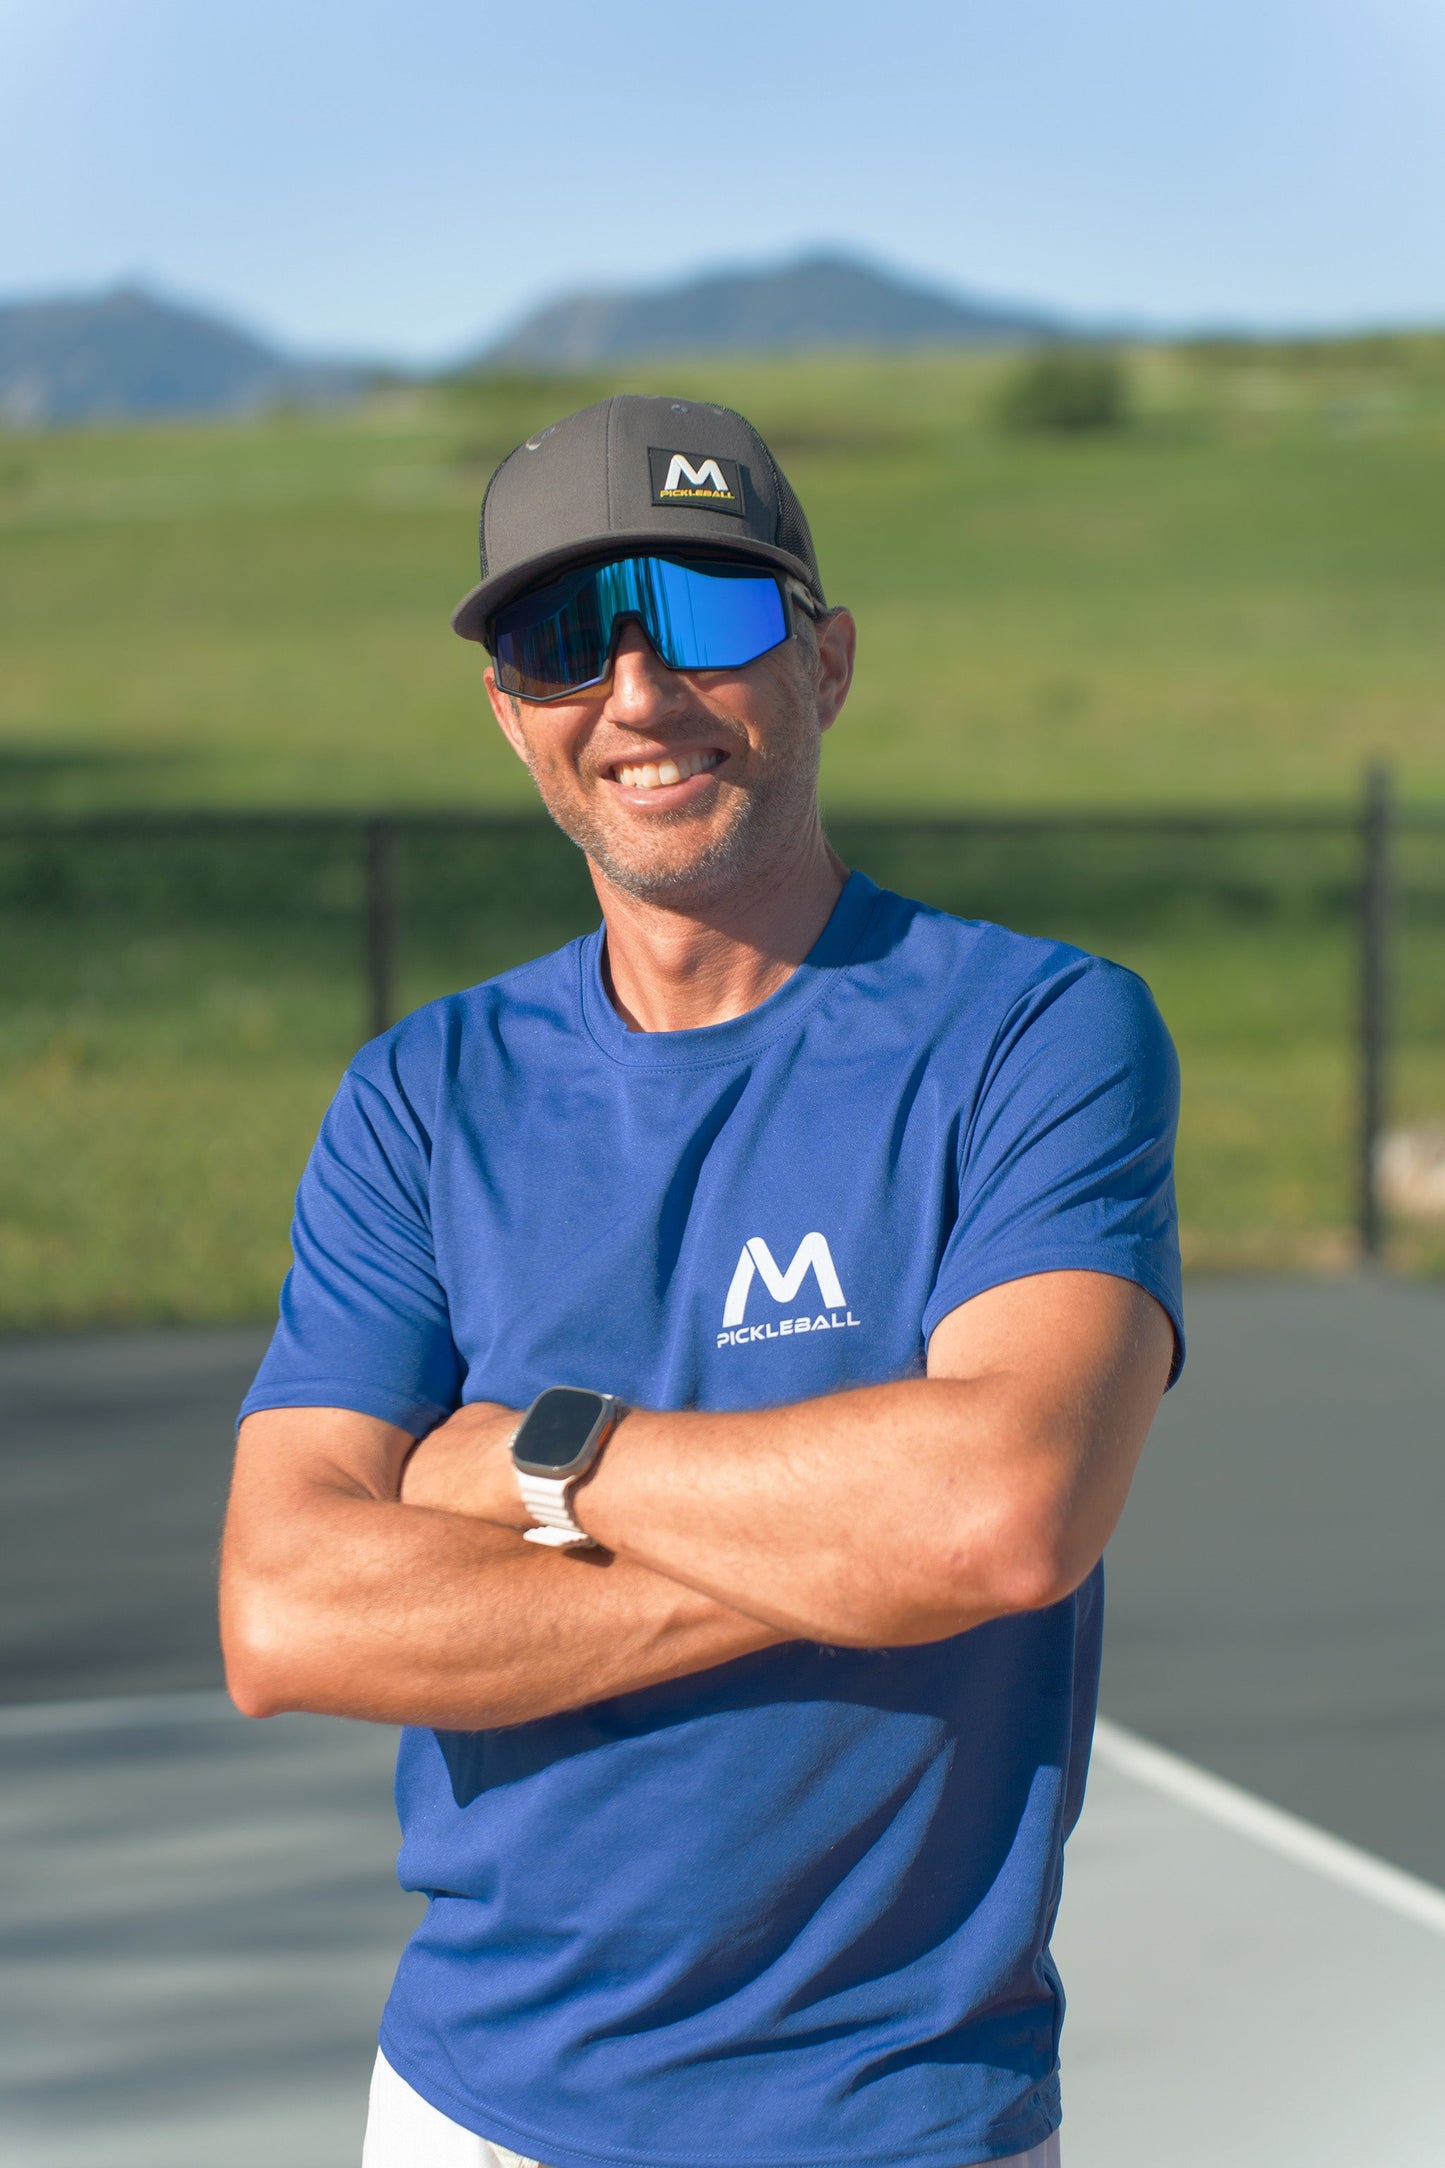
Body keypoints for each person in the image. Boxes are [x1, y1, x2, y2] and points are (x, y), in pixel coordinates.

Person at [221, 393, 1182, 2168]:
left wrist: (526, 1461)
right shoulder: (419, 1100)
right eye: (563, 639)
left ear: (822, 661)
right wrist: (858, 1544)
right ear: (510, 714)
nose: (640, 696)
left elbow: (1004, 1517)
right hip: (470, 2113)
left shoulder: (1035, 1033)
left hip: (893, 2121)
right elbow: (290, 1615)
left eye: (709, 614)